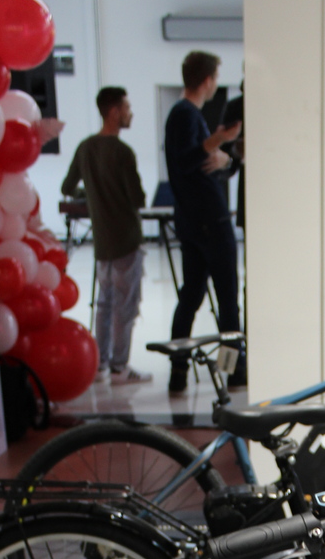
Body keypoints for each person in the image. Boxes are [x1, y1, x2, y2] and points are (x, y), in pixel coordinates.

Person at [164, 51, 243, 393]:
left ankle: (179, 371)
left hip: (194, 222)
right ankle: (232, 371)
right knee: (226, 301)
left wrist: (224, 158)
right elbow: (188, 160)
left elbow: (199, 163)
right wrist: (219, 140)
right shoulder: (185, 114)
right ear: (208, 80)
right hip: (210, 221)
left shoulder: (183, 115)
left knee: (192, 297)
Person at [61, 87, 152, 385]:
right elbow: (137, 198)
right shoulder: (123, 153)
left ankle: (100, 364)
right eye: (126, 108)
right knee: (125, 306)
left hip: (102, 242)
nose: (130, 113)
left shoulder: (85, 148)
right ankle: (120, 366)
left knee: (104, 303)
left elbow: (67, 187)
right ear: (114, 112)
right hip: (126, 239)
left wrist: (90, 194)